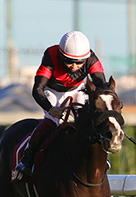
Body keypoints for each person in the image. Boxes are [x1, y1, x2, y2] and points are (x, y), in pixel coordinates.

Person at [14, 30, 108, 178]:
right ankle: (28, 157)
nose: (74, 66)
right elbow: (38, 89)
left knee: (88, 119)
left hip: (77, 90)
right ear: (61, 55)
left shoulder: (92, 58)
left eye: (79, 63)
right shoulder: (51, 55)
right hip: (53, 91)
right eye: (69, 61)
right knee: (52, 121)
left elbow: (102, 85)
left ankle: (99, 156)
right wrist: (50, 109)